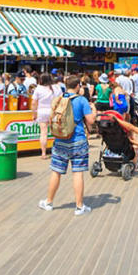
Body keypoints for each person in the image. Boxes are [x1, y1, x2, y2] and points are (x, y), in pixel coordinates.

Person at [38, 75, 96, 215]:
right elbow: (91, 121)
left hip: (60, 140)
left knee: (56, 172)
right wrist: (93, 109)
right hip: (78, 141)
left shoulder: (58, 99)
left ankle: (49, 202)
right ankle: (79, 206)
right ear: (78, 86)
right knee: (77, 173)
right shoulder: (81, 100)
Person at [31, 74, 57, 159]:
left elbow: (34, 103)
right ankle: (56, 151)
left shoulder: (38, 89)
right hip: (53, 111)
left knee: (43, 133)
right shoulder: (56, 88)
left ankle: (43, 153)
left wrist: (34, 114)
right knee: (55, 133)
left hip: (42, 111)